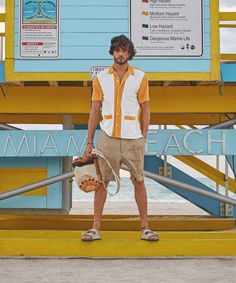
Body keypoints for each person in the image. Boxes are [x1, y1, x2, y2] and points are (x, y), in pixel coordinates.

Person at [83, 35, 159, 242]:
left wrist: (143, 136)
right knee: (102, 183)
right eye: (117, 50)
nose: (121, 54)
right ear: (112, 52)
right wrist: (89, 142)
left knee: (139, 181)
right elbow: (94, 111)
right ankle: (95, 228)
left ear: (129, 52)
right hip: (107, 138)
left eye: (124, 50)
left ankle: (145, 228)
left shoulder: (141, 77)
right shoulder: (100, 78)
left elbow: (146, 108)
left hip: (133, 139)